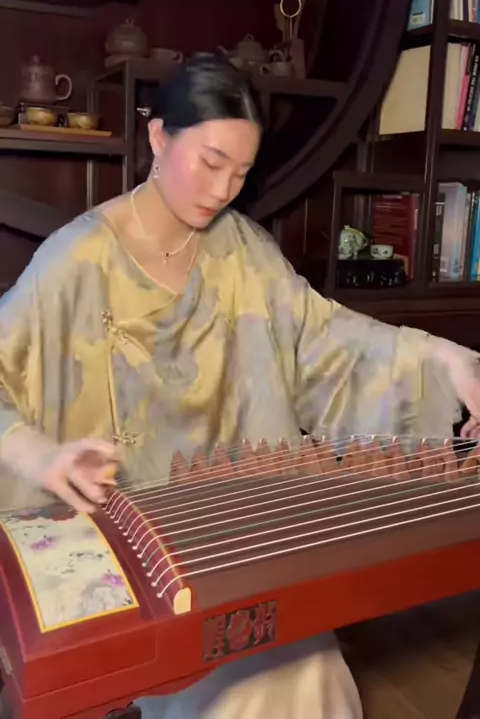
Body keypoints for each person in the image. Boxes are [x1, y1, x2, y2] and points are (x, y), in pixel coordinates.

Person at [0, 53, 479, 719]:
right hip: (130, 549)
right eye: (210, 162)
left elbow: (327, 337)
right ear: (159, 136)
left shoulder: (243, 249)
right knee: (255, 692)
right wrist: (42, 456)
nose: (223, 190)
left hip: (238, 533)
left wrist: (449, 361)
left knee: (311, 672)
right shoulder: (77, 260)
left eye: (241, 172)